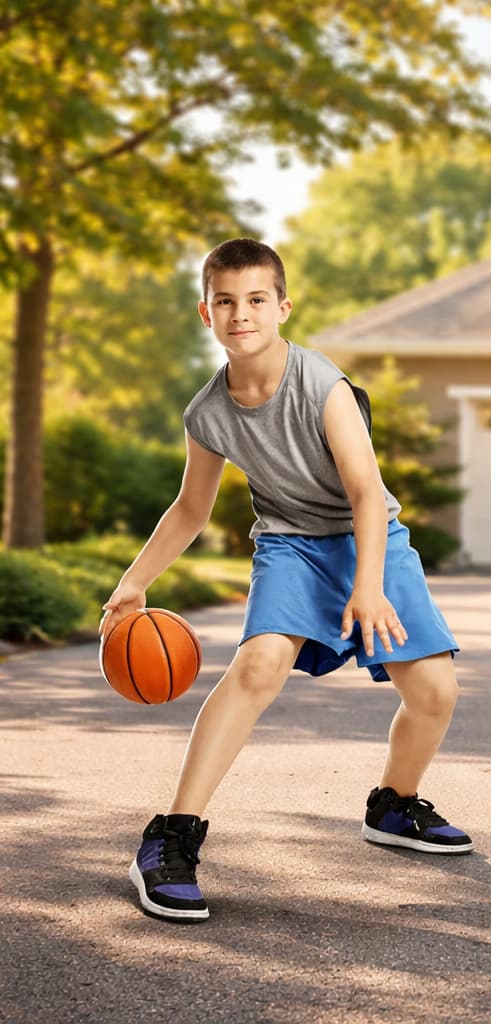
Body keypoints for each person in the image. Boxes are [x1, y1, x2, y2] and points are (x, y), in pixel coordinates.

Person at [101, 238, 471, 923]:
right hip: (290, 545)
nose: (241, 313)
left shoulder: (322, 385)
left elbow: (365, 493)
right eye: (225, 301)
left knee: (435, 693)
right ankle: (170, 837)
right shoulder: (207, 413)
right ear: (206, 314)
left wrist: (368, 586)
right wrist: (134, 580)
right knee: (258, 667)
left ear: (282, 307)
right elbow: (190, 508)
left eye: (255, 299)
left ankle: (393, 806)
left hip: (370, 538)